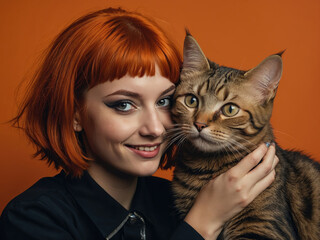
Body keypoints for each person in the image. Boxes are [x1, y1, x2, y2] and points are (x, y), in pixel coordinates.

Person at [0, 7, 278, 240]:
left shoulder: (174, 199)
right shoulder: (33, 219)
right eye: (124, 104)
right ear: (75, 114)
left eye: (164, 102)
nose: (155, 129)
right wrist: (201, 224)